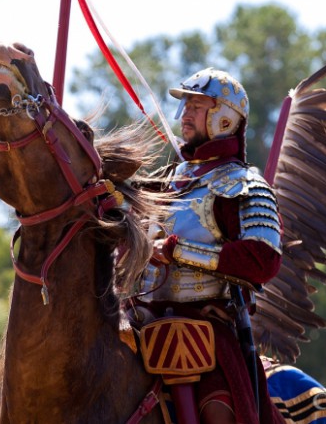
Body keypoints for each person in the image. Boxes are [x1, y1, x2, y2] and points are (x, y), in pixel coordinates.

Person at [128, 68, 285, 424]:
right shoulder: (167, 181)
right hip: (141, 316)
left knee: (219, 410)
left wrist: (178, 251)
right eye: (185, 105)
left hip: (205, 326)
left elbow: (262, 259)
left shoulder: (243, 184)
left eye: (196, 106)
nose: (184, 113)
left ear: (225, 118)